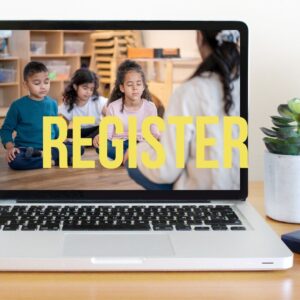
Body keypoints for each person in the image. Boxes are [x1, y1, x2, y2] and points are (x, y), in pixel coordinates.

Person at [125, 30, 241, 190]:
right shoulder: (247, 85)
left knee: (132, 161)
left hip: (199, 194)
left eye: (138, 84)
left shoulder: (187, 92)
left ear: (199, 37)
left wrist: (137, 150)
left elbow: (165, 170)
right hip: (235, 189)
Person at [0, 61, 76, 170]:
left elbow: (54, 126)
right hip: (26, 149)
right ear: (26, 85)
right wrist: (10, 148)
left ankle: (45, 157)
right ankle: (54, 159)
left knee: (78, 148)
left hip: (50, 147)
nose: (43, 87)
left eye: (46, 82)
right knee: (15, 161)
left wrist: (63, 139)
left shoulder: (53, 103)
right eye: (37, 83)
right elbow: (5, 130)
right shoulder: (17, 106)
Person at [93, 60, 160, 160]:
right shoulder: (113, 107)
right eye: (129, 85)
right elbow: (108, 135)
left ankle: (128, 157)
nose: (135, 88)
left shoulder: (150, 107)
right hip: (120, 144)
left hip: (142, 144)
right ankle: (130, 157)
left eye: (138, 84)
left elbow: (154, 133)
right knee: (102, 146)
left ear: (143, 87)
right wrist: (100, 137)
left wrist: (164, 138)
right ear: (122, 88)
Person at [59, 68, 107, 139]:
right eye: (85, 88)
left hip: (96, 131)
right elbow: (63, 125)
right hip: (80, 132)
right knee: (62, 132)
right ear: (75, 86)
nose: (88, 92)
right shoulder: (69, 103)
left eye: (91, 89)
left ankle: (87, 142)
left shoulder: (98, 101)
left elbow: (111, 117)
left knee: (104, 128)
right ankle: (85, 143)